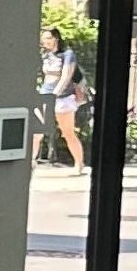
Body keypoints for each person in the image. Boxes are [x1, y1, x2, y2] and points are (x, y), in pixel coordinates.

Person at [39, 27, 88, 170]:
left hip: (62, 98)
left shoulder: (67, 54)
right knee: (36, 131)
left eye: (48, 38)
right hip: (44, 95)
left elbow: (66, 76)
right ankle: (30, 162)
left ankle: (79, 162)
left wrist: (54, 95)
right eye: (44, 38)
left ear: (56, 39)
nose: (45, 41)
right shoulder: (45, 55)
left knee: (67, 133)